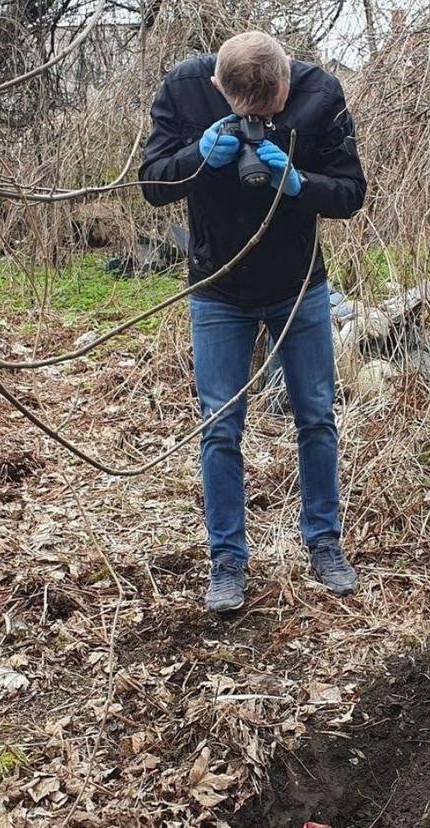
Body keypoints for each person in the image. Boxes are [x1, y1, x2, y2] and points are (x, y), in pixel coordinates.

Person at [139, 32, 367, 613]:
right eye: (248, 115)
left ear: (287, 81)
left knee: (316, 417)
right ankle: (228, 563)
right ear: (220, 86)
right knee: (219, 429)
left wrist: (297, 183)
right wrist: (197, 157)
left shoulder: (321, 93)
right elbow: (152, 183)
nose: (260, 122)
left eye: (270, 114)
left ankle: (325, 543)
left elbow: (350, 193)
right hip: (218, 289)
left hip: (299, 288)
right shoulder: (185, 89)